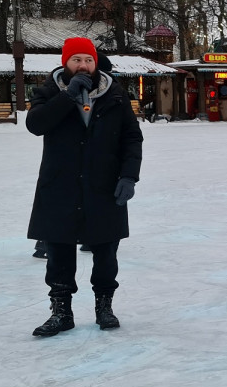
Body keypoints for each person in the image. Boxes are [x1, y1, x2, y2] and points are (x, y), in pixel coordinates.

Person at [26, 37, 143, 337]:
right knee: (59, 253)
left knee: (106, 251)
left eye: (88, 60)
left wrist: (129, 176)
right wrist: (68, 97)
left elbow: (132, 137)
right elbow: (36, 124)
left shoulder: (114, 94)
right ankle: (61, 312)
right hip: (60, 185)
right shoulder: (49, 90)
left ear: (95, 62)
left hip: (104, 185)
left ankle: (104, 306)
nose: (83, 65)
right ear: (66, 63)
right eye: (77, 60)